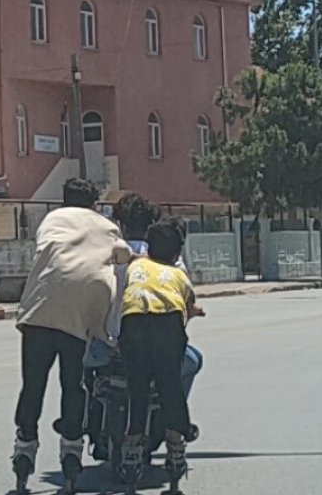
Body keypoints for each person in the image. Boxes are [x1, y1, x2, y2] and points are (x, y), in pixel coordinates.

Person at [11, 178, 131, 488]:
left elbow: (46, 248)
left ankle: (24, 447)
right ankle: (72, 451)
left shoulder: (52, 219)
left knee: (33, 384)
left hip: (40, 307)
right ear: (94, 204)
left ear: (64, 201)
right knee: (73, 384)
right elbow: (123, 258)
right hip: (81, 310)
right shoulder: (108, 227)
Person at [85, 194, 202, 459]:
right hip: (161, 341)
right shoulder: (170, 261)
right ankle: (172, 423)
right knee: (190, 364)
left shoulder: (108, 254)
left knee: (82, 363)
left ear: (120, 225)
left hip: (112, 344)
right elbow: (185, 304)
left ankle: (85, 420)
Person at [118, 217, 195, 482]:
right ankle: (175, 446)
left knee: (136, 389)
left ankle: (131, 447)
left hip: (134, 322)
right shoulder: (178, 274)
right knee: (169, 387)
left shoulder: (137, 265)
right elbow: (189, 305)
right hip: (167, 324)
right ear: (176, 253)